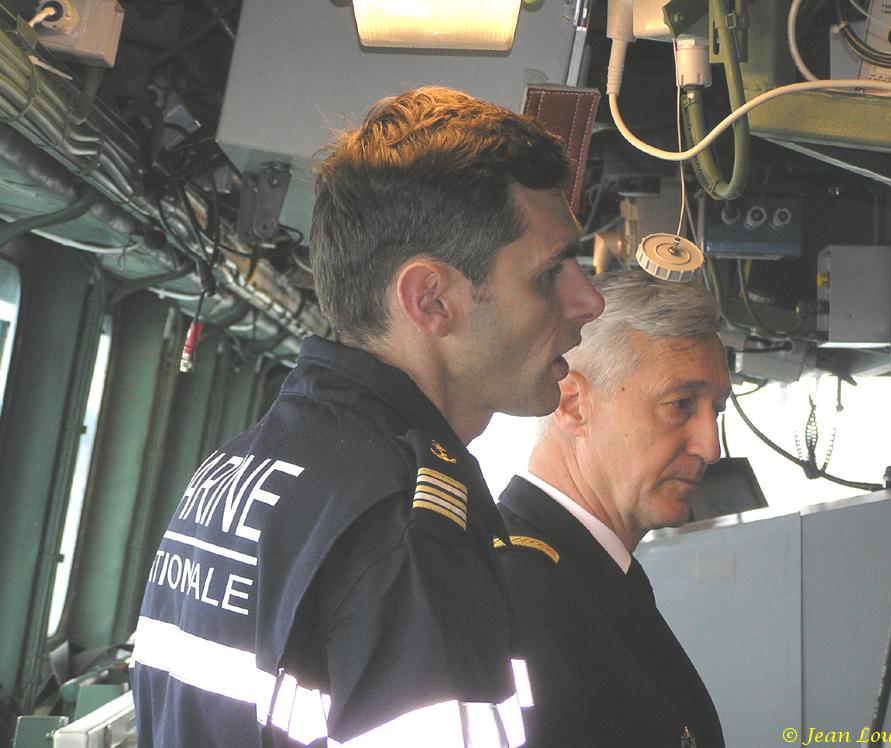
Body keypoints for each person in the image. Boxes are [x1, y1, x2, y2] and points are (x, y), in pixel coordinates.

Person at [129, 86, 604, 747]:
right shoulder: (407, 529)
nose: (589, 300)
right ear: (430, 300)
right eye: (550, 273)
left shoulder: (230, 470)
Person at [496, 270, 731, 748]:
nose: (711, 447)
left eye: (717, 410)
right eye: (680, 404)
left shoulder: (587, 577)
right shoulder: (517, 594)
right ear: (572, 405)